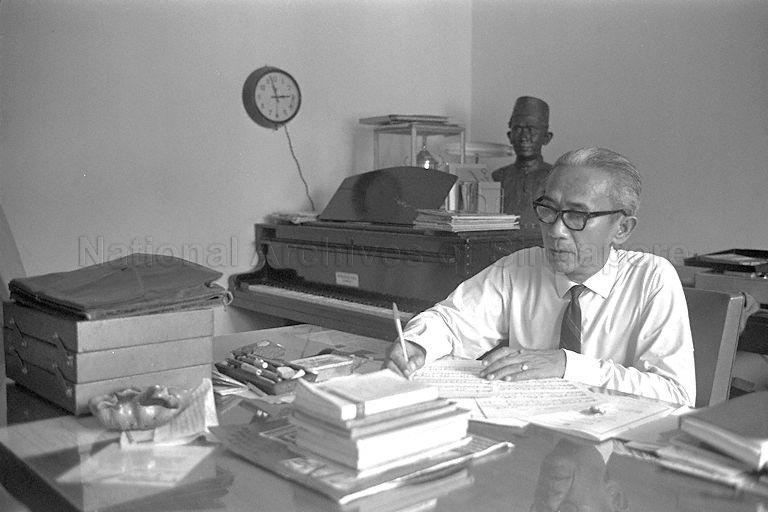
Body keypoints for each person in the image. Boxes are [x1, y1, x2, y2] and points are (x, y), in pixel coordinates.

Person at [387, 146, 696, 406]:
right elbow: (451, 322)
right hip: (531, 435)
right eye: (548, 210)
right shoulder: (519, 268)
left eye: (577, 215)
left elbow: (676, 394)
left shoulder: (651, 279)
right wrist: (417, 345)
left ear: (622, 229)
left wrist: (566, 365)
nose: (555, 230)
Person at [492, 96, 553, 232]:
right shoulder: (497, 177)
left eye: (531, 129)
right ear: (510, 136)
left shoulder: (556, 177)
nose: (524, 136)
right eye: (518, 129)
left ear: (546, 138)